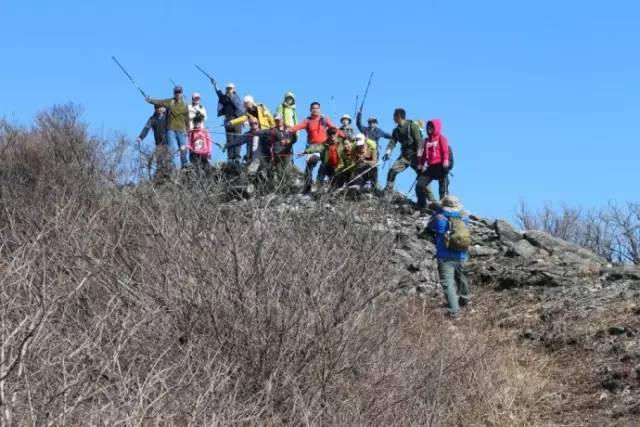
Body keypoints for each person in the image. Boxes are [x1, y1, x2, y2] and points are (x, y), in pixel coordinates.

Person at [428, 196, 471, 318]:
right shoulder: (464, 217)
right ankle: (465, 299)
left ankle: (454, 311)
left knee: (448, 283)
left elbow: (432, 227)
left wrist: (437, 212)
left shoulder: (439, 218)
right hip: (462, 254)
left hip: (445, 255)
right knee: (461, 276)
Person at [289, 102, 343, 193]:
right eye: (313, 108)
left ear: (320, 109)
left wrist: (344, 136)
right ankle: (307, 188)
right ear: (310, 110)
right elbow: (297, 127)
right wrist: (288, 131)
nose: (315, 110)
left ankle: (334, 185)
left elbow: (334, 129)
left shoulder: (324, 119)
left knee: (328, 167)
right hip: (313, 148)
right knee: (309, 168)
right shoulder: (307, 120)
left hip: (325, 147)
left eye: (317, 108)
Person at [145, 86, 190, 168]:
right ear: (174, 93)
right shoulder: (170, 102)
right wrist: (150, 100)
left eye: (179, 92)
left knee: (184, 147)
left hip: (181, 129)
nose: (178, 94)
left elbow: (187, 118)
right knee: (171, 148)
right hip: (171, 129)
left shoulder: (185, 104)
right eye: (176, 92)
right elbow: (160, 102)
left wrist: (188, 129)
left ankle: (185, 165)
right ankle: (171, 166)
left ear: (182, 93)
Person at [382, 108, 423, 192]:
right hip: (404, 157)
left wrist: (419, 153)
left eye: (394, 116)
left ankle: (430, 199)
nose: (393, 118)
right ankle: (388, 191)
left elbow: (419, 140)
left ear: (398, 116)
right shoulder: (396, 130)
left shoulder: (412, 126)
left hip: (415, 156)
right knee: (392, 171)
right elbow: (392, 143)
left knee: (422, 177)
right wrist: (387, 153)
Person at [416, 119, 450, 208]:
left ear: (436, 127)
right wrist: (420, 167)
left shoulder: (441, 138)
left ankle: (444, 207)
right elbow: (423, 155)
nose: (429, 128)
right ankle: (421, 205)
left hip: (440, 166)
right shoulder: (426, 140)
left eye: (431, 126)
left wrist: (445, 164)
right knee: (419, 186)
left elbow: (445, 152)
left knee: (443, 189)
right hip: (430, 167)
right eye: (428, 126)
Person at [212, 80, 245, 161]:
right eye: (227, 88)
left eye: (230, 88)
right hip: (228, 120)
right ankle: (230, 157)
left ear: (234, 89)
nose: (229, 90)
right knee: (229, 139)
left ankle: (237, 157)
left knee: (237, 139)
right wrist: (215, 85)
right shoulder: (224, 98)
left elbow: (240, 108)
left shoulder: (236, 98)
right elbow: (219, 94)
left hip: (237, 120)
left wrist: (231, 96)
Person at [136, 105, 171, 180]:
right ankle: (159, 177)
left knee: (168, 160)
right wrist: (140, 137)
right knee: (159, 160)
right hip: (158, 143)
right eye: (156, 108)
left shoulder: (167, 116)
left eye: (159, 108)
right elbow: (146, 128)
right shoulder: (152, 119)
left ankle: (168, 176)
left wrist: (166, 108)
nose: (158, 109)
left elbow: (171, 108)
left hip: (167, 142)